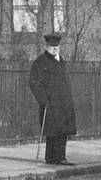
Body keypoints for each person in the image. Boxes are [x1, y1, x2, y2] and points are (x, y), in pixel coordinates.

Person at [29, 33, 76, 165]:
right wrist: (43, 100)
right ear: (47, 46)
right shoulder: (40, 62)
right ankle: (52, 157)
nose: (55, 49)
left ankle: (60, 157)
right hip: (51, 103)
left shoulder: (61, 61)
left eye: (57, 46)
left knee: (62, 130)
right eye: (52, 46)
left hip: (64, 103)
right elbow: (33, 82)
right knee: (53, 130)